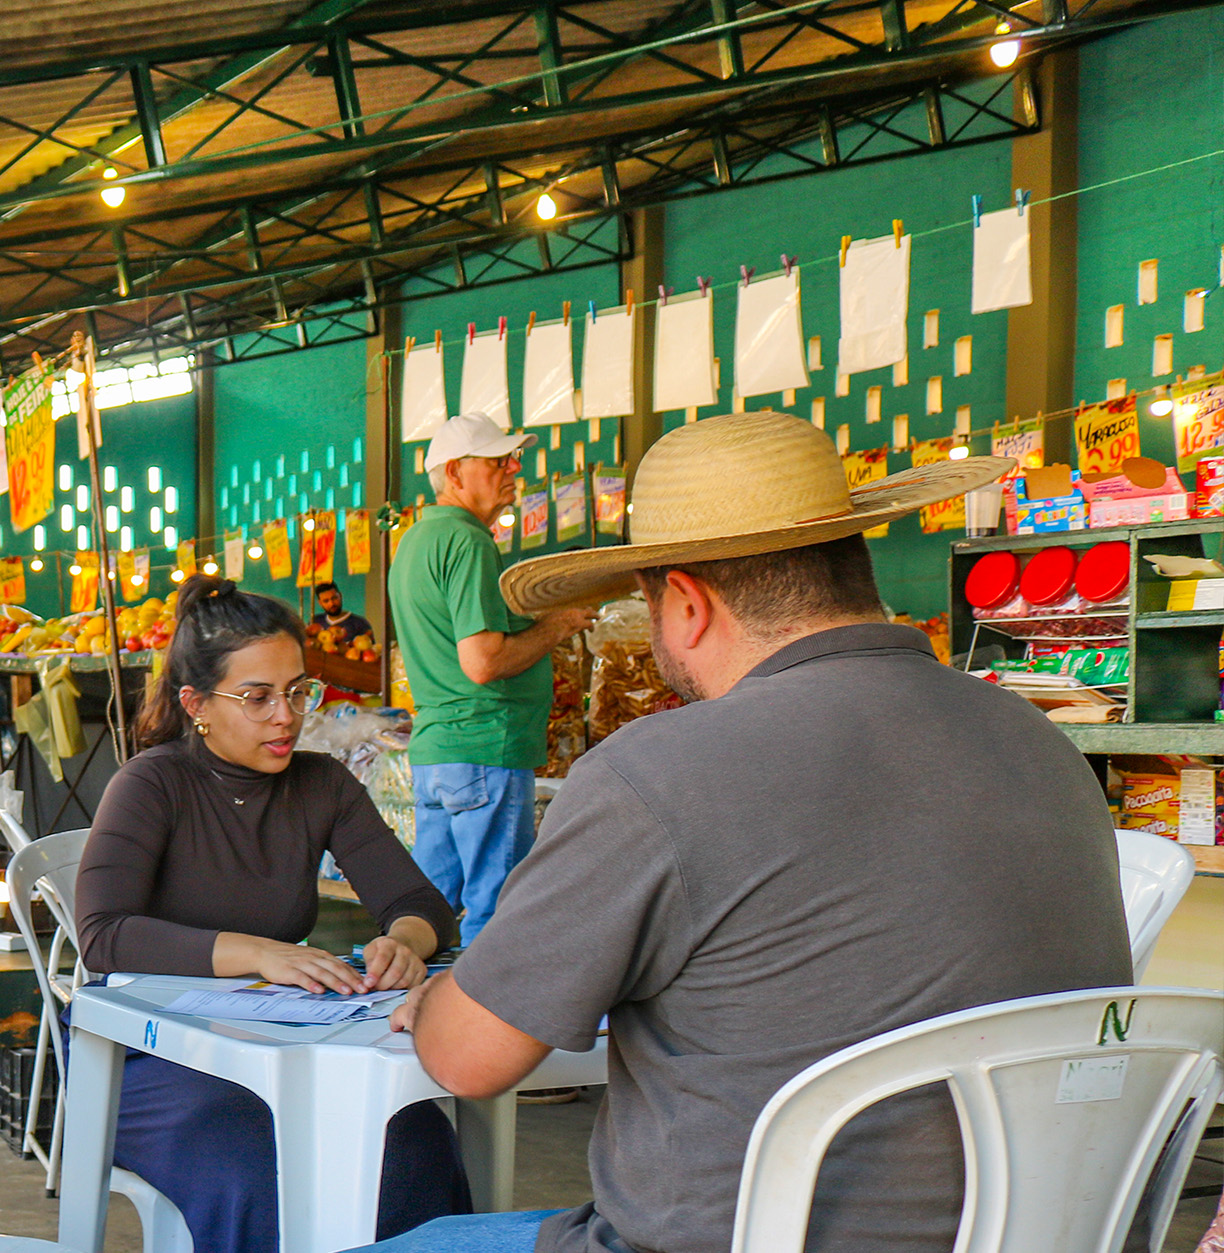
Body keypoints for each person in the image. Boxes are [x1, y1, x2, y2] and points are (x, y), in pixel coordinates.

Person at [346, 413, 1133, 1253]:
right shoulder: (1039, 740)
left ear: (685, 602)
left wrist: (440, 998)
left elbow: (470, 1060)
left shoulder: (658, 771)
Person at [75, 575, 468, 1253]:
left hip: (280, 1043)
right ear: (196, 703)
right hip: (153, 1055)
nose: (285, 716)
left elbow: (422, 904)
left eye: (297, 691)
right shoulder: (153, 783)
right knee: (256, 1162)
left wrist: (405, 940)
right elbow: (104, 936)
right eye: (257, 697)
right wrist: (259, 952)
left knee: (415, 1141)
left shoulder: (321, 784)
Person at [387, 413, 591, 941]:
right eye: (497, 461)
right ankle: (484, 1021)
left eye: (512, 459)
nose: (514, 469)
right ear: (454, 472)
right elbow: (482, 662)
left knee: (424, 910)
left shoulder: (413, 542)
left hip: (437, 753)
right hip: (484, 746)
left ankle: (405, 1008)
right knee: (496, 913)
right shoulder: (469, 541)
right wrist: (559, 624)